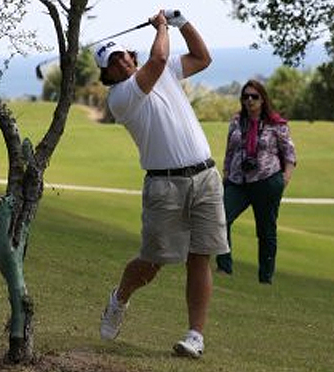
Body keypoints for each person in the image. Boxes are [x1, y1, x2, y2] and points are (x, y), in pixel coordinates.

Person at [93, 9, 229, 359]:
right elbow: (159, 56)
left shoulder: (163, 70)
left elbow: (203, 57)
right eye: (112, 61)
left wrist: (182, 22)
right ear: (106, 74)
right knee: (153, 262)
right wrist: (163, 26)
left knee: (201, 257)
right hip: (164, 185)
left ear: (130, 55)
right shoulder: (121, 97)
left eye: (122, 54)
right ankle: (119, 298)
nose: (120, 62)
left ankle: (195, 336)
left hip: (205, 177)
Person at [215, 79, 297, 283]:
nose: (249, 100)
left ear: (262, 99)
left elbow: (290, 154)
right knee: (220, 219)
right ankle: (224, 267)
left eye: (254, 96)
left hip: (267, 181)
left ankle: (265, 278)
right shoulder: (236, 121)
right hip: (237, 182)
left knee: (266, 231)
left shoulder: (277, 124)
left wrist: (283, 180)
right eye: (245, 97)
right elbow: (230, 151)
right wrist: (226, 174)